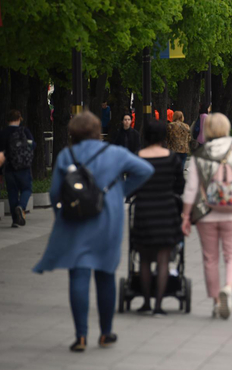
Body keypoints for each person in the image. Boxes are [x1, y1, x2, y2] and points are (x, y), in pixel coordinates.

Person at [33, 112, 154, 352]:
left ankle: (80, 336)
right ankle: (106, 333)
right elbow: (145, 170)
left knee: (78, 274)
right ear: (98, 130)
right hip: (108, 219)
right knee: (105, 274)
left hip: (76, 219)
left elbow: (55, 192)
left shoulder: (67, 155)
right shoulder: (115, 153)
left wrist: (61, 215)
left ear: (73, 133)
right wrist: (121, 192)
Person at [181, 113, 232, 320]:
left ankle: (216, 301)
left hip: (206, 213)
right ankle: (229, 288)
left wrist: (186, 216)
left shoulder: (201, 154)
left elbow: (190, 190)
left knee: (210, 258)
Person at [132, 121, 185, 317]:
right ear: (164, 136)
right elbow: (180, 186)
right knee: (163, 260)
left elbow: (132, 184)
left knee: (144, 260)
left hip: (144, 211)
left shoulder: (138, 157)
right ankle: (158, 306)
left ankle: (146, 302)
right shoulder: (171, 159)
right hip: (166, 211)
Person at [0, 110, 35, 227]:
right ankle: (21, 207)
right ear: (19, 118)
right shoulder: (24, 131)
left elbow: (1, 154)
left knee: (12, 192)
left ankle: (15, 220)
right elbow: (32, 146)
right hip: (24, 167)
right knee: (26, 189)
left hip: (9, 168)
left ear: (7, 120)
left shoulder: (3, 133)